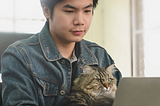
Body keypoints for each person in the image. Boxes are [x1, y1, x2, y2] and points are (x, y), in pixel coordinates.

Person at [1, 0, 122, 106]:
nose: (80, 21)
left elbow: (125, 99)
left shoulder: (100, 55)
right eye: (69, 11)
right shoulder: (19, 56)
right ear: (46, 10)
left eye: (87, 11)